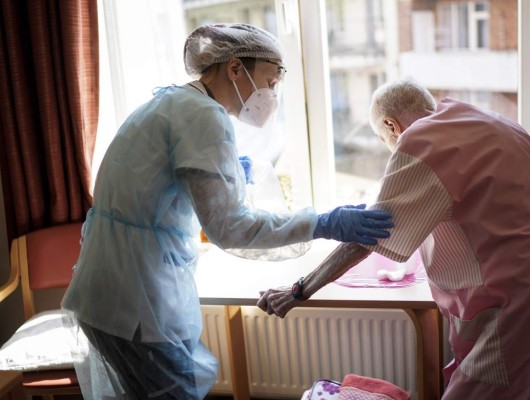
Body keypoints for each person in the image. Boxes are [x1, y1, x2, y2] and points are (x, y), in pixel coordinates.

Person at [61, 23, 393, 400]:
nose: (271, 95)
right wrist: (323, 223)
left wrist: (230, 173)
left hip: (112, 289)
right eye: (270, 81)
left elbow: (160, 186)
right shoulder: (202, 115)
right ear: (235, 68)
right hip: (133, 300)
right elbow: (230, 227)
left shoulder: (172, 102)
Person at [258, 79, 530, 399]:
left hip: (526, 295)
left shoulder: (420, 142)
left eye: (384, 140)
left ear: (391, 127)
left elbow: (365, 238)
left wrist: (297, 290)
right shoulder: (489, 121)